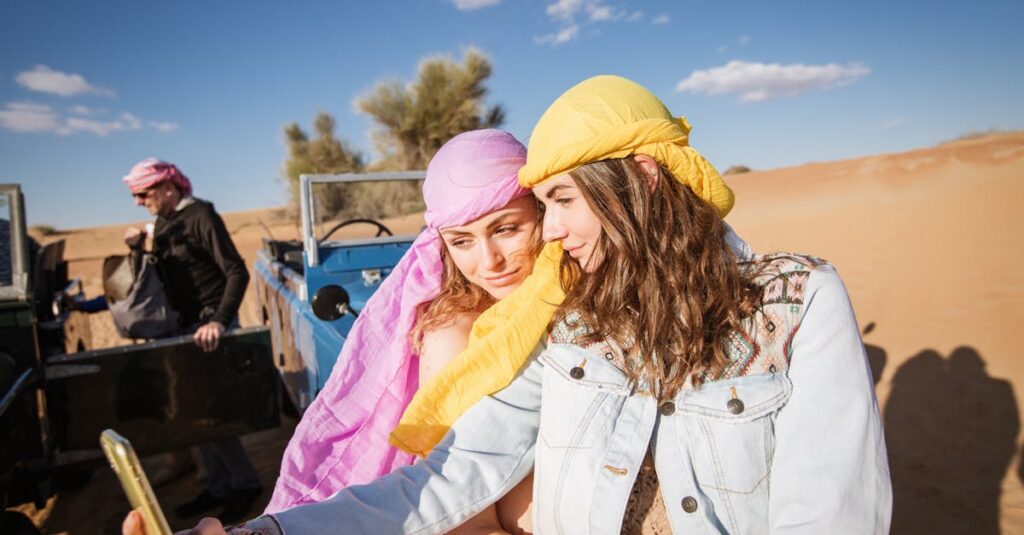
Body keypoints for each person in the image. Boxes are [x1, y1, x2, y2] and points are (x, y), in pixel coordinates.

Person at [148, 75, 892, 534]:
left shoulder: (794, 306)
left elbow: (831, 515)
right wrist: (269, 532)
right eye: (544, 205)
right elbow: (450, 473)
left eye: (560, 202)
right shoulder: (572, 322)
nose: (551, 233)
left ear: (643, 178)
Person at [262, 129, 544, 532]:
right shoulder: (457, 335)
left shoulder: (562, 301)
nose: (490, 261)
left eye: (506, 229)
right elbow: (466, 518)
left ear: (542, 212)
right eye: (462, 241)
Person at [122, 158, 263, 524]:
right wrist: (138, 248)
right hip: (183, 330)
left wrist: (218, 320)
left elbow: (236, 270)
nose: (138, 201)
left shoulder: (201, 215)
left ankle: (244, 484)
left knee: (211, 413)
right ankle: (217, 486)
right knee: (193, 414)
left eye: (143, 193)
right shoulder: (164, 223)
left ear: (168, 187)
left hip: (208, 329)